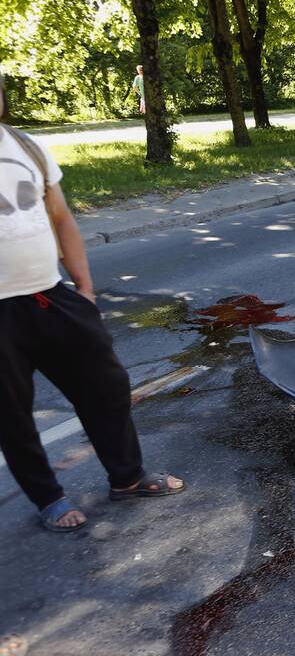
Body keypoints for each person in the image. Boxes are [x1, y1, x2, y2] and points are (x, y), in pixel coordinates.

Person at [0, 72, 185, 532]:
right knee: (11, 413)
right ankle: (49, 498)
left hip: (50, 294)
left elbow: (60, 218)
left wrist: (84, 289)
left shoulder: (25, 146)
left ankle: (127, 477)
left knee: (106, 383)